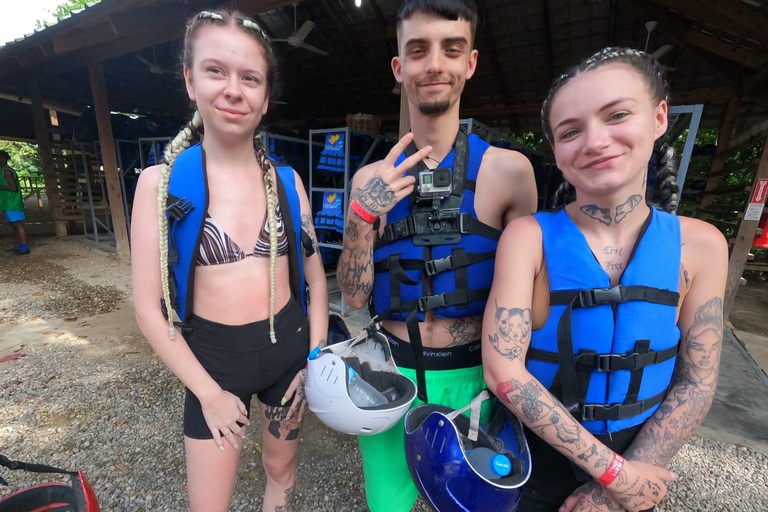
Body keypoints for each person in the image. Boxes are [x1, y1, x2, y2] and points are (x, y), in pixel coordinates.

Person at [482, 47, 728, 512]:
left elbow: (697, 382)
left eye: (616, 115)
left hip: (641, 455)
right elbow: (504, 371)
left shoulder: (703, 246)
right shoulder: (528, 238)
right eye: (570, 131)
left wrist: (621, 489)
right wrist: (617, 475)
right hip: (535, 460)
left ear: (658, 119)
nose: (594, 141)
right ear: (555, 149)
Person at [338, 1, 537, 510]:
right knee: (387, 504)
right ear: (399, 67)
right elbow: (355, 295)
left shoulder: (511, 173)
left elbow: (531, 305)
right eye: (418, 49)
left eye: (451, 49)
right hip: (393, 374)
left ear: (470, 63)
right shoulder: (367, 178)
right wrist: (362, 216)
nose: (434, 64)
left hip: (476, 377)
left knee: (472, 502)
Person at [130, 10, 327, 512]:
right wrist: (208, 394)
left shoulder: (289, 183)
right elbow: (148, 309)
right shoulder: (160, 185)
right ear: (190, 80)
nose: (234, 90)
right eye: (216, 71)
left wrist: (317, 358)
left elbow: (314, 278)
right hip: (212, 365)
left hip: (288, 353)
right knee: (209, 503)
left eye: (250, 78)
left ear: (265, 97)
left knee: (281, 472)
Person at [0, 150, 30, 255]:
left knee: (18, 224)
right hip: (7, 202)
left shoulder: (7, 171)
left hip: (12, 202)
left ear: (3, 159)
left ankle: (25, 247)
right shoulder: (2, 170)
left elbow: (13, 188)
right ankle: (20, 245)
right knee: (13, 224)